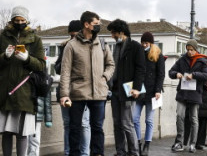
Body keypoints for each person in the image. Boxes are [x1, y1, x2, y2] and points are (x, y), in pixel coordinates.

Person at [0, 6, 45, 156]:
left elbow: (41, 65)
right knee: (6, 132)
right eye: (16, 20)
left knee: (21, 133)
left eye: (22, 20)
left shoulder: (36, 39)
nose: (19, 22)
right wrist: (5, 56)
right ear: (12, 20)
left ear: (27, 20)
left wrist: (27, 59)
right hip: (5, 90)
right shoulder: (1, 37)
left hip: (25, 91)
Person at [59, 11, 115, 156]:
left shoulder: (102, 43)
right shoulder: (71, 46)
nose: (99, 26)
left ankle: (97, 154)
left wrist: (104, 77)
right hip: (78, 93)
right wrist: (64, 95)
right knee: (75, 128)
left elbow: (111, 65)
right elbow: (65, 72)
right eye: (96, 24)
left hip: (99, 92)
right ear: (86, 24)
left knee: (97, 128)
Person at [106, 19, 145, 156]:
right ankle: (120, 151)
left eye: (113, 33)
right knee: (117, 123)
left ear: (121, 32)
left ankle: (134, 152)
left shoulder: (135, 47)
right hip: (115, 90)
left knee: (127, 123)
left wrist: (137, 88)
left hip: (128, 90)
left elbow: (141, 69)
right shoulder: (116, 47)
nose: (112, 36)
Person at [55, 20, 90, 156]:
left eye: (75, 35)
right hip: (65, 90)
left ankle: (84, 153)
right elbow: (57, 68)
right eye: (71, 35)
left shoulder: (88, 46)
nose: (73, 38)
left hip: (82, 91)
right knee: (67, 123)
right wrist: (66, 60)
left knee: (84, 123)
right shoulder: (65, 47)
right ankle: (68, 152)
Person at [169, 39, 207, 153]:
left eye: (191, 50)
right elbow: (171, 71)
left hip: (195, 93)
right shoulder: (182, 59)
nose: (189, 52)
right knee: (179, 116)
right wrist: (175, 74)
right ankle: (179, 142)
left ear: (196, 49)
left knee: (194, 118)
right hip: (183, 93)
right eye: (188, 50)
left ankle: (193, 144)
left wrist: (194, 75)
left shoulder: (202, 60)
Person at [133, 32, 164, 156]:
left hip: (152, 93)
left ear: (151, 43)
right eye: (143, 43)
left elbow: (161, 74)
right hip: (140, 91)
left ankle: (147, 145)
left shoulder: (158, 55)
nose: (144, 45)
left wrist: (158, 90)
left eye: (146, 43)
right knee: (135, 118)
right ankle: (138, 143)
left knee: (149, 120)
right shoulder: (139, 54)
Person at [27, 59, 53, 156]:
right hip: (36, 113)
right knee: (34, 139)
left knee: (29, 138)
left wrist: (48, 119)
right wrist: (48, 119)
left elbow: (47, 100)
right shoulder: (46, 79)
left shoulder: (39, 78)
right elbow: (47, 102)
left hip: (31, 112)